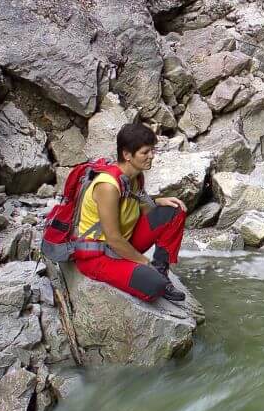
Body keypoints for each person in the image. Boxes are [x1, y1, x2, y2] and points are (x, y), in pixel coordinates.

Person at [71, 122, 188, 304]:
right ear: (127, 155)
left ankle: (161, 270)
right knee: (153, 285)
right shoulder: (108, 186)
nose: (151, 156)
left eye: (152, 151)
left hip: (125, 243)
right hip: (97, 256)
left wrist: (158, 202)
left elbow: (142, 210)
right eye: (145, 152)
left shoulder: (135, 177)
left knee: (174, 211)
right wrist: (144, 262)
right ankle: (157, 278)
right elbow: (113, 238)